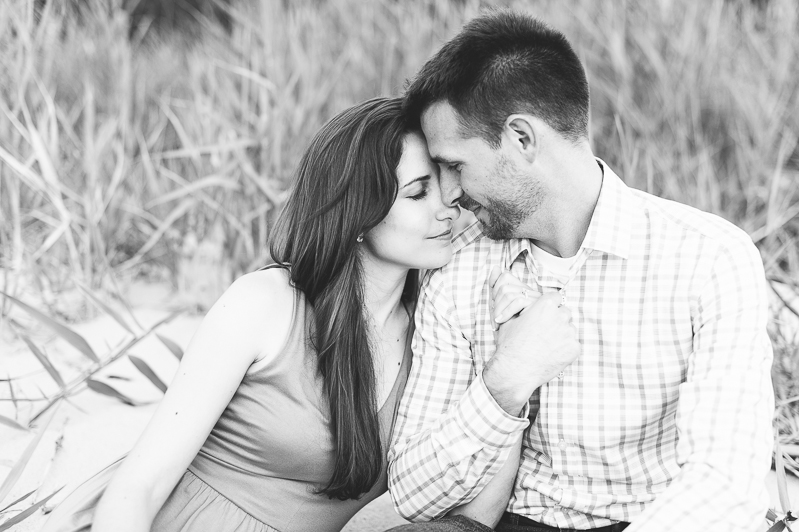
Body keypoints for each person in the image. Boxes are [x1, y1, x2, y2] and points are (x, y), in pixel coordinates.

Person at [41, 97, 519, 532]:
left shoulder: (432, 338)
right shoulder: (266, 305)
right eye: (417, 194)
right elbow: (138, 487)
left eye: (449, 193)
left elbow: (474, 481)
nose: (448, 211)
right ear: (358, 211)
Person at [387, 10, 774, 532]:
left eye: (456, 165)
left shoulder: (709, 258)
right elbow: (410, 490)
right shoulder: (458, 267)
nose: (450, 194)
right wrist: (506, 383)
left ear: (521, 138)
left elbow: (723, 482)